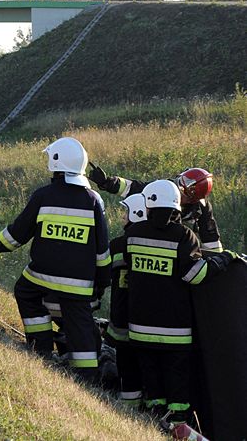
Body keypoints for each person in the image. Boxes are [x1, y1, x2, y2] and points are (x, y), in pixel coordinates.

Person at [0, 137, 110, 382]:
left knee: (25, 292)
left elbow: (17, 234)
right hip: (79, 286)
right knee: (80, 322)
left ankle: (40, 348)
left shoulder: (43, 196)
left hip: (40, 277)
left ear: (56, 162)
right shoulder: (94, 200)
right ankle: (88, 376)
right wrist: (101, 283)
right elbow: (102, 252)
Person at [125, 180, 237, 426]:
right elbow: (194, 275)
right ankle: (178, 421)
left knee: (151, 377)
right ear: (176, 207)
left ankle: (154, 420)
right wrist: (223, 260)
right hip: (174, 330)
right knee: (177, 380)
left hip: (140, 327)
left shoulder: (133, 234)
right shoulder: (185, 235)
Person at [88, 166, 223, 253]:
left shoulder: (202, 208)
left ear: (195, 199)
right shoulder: (165, 189)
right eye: (180, 186)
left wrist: (219, 261)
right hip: (148, 241)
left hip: (178, 250)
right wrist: (107, 182)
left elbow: (211, 240)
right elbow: (134, 188)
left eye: (184, 193)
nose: (178, 193)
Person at [104, 193, 146, 409]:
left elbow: (102, 274)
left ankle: (129, 408)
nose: (123, 217)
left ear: (137, 214)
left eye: (126, 212)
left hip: (122, 321)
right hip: (147, 321)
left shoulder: (119, 245)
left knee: (127, 365)